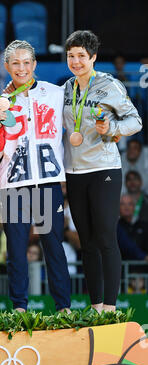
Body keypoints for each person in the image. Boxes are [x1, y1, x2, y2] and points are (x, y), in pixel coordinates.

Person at [0, 39, 71, 314]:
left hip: (48, 181)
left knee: (53, 245)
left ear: (35, 64)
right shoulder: (1, 102)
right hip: (13, 184)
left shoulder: (55, 93)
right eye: (16, 63)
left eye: (26, 62)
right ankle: (19, 308)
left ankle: (63, 307)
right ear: (7, 66)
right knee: (16, 248)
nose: (22, 68)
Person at [63, 30, 142, 313]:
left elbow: (136, 121)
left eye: (81, 56)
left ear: (93, 57)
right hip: (75, 173)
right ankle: (95, 306)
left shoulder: (110, 86)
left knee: (106, 238)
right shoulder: (66, 88)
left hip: (104, 169)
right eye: (71, 56)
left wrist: (113, 130)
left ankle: (110, 307)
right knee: (87, 242)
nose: (75, 61)